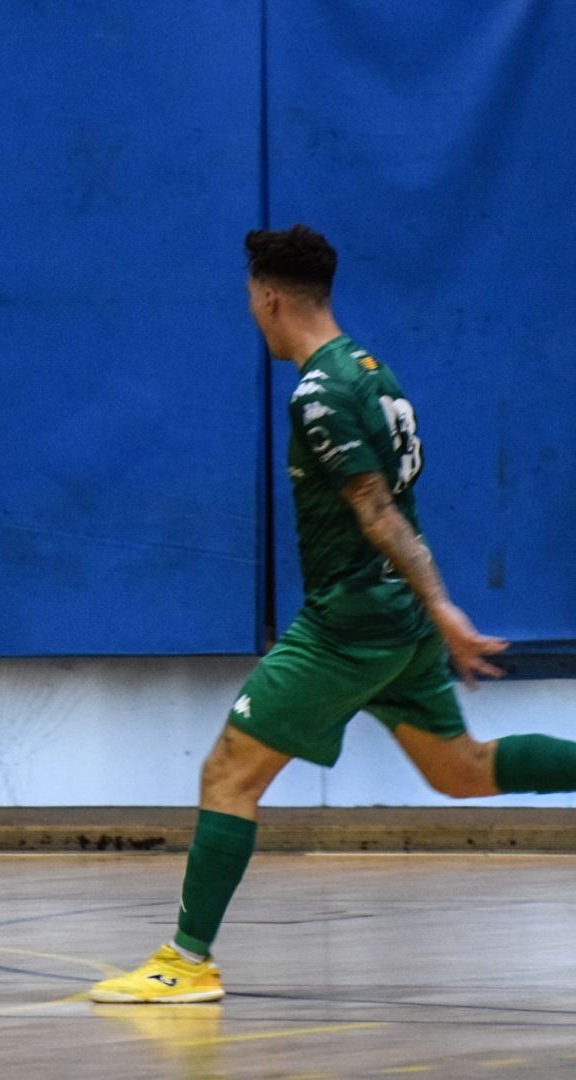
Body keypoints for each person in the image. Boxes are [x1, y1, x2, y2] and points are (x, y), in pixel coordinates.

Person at [91, 224, 576, 1003]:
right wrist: (428, 609)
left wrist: (443, 606)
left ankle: (185, 962)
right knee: (462, 771)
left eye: (252, 298)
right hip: (395, 618)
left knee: (227, 773)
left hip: (350, 621)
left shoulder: (319, 391)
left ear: (271, 297)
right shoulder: (376, 374)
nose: (252, 312)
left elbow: (377, 508)